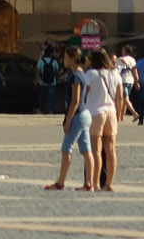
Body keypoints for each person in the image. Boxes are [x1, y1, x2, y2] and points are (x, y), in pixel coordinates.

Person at [45, 45, 96, 191]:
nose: (64, 60)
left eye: (66, 57)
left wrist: (68, 120)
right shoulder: (82, 74)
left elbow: (75, 100)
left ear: (73, 58)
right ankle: (89, 183)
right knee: (86, 150)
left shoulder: (75, 76)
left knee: (66, 148)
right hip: (86, 114)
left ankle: (60, 182)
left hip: (78, 114)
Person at [85, 49, 120, 191]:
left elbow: (84, 94)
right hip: (111, 112)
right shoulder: (114, 73)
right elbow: (120, 96)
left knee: (96, 150)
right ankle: (109, 184)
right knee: (111, 150)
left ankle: (95, 183)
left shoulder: (91, 74)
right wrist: (119, 113)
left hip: (95, 112)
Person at [36, 44, 60, 115]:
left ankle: (41, 109)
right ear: (51, 54)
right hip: (52, 82)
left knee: (43, 96)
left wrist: (36, 81)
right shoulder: (54, 62)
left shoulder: (41, 62)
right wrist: (57, 79)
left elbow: (38, 72)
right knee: (51, 97)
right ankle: (51, 110)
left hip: (42, 82)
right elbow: (57, 72)